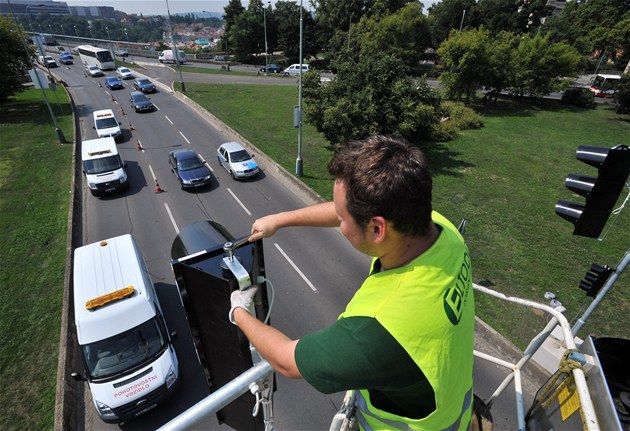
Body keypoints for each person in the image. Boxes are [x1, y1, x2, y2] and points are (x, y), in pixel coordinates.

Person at [229, 135, 475, 430]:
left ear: (377, 229)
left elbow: (286, 361)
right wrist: (281, 219)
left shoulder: (376, 330)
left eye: (342, 217)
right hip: (455, 413)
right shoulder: (442, 233)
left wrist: (239, 312)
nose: (338, 221)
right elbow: (349, 211)